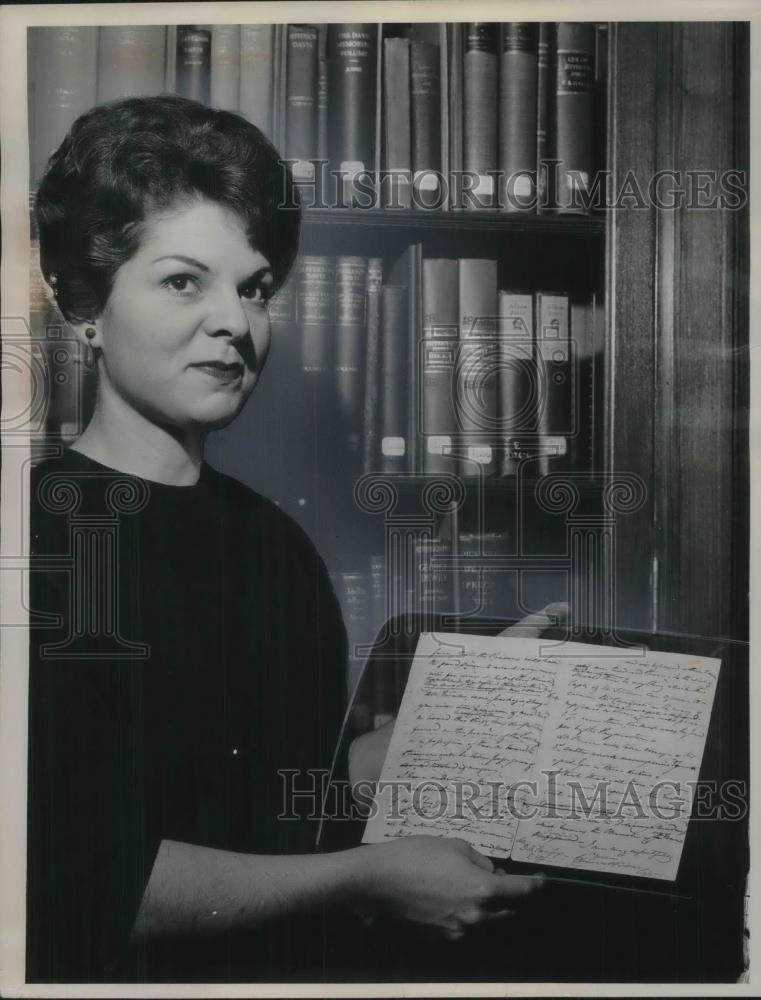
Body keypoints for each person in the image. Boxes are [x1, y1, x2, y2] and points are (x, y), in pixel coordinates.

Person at [26, 95, 545, 984]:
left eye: (254, 288)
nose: (236, 321)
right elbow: (77, 887)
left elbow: (279, 791)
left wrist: (461, 716)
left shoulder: (274, 542)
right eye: (185, 280)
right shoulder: (36, 542)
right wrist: (367, 878)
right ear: (85, 303)